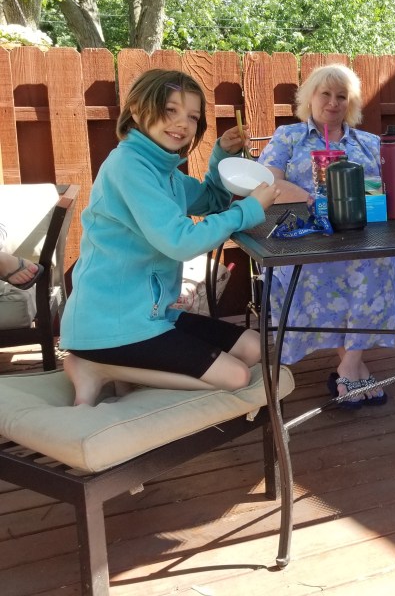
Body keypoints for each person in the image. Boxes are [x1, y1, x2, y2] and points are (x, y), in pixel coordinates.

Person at [60, 70, 279, 406]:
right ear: (136, 110)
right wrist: (248, 210)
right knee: (236, 376)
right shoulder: (128, 167)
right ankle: (96, 368)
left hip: (152, 316)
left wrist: (222, 154)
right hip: (112, 323)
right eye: (170, 110)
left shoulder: (164, 172)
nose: (182, 123)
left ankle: (121, 373)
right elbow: (180, 241)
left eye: (192, 116)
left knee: (253, 346)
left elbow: (211, 200)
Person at [258, 64, 395, 406]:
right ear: (310, 97)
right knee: (317, 269)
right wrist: (312, 198)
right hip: (304, 238)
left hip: (360, 236)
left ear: (350, 103)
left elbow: (383, 190)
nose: (333, 102)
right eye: (325, 94)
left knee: (389, 263)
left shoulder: (368, 143)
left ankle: (349, 366)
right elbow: (266, 183)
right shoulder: (289, 138)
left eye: (342, 96)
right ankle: (355, 369)